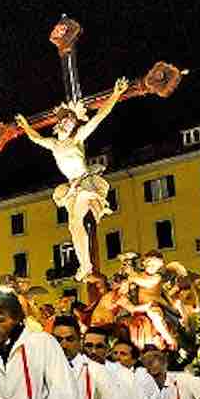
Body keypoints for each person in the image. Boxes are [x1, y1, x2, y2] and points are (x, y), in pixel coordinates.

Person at [14, 77, 129, 280]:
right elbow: (35, 138)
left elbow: (99, 117)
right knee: (74, 225)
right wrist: (24, 126)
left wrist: (116, 94)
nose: (69, 123)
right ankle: (85, 265)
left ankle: (86, 265)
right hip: (71, 187)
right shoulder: (53, 144)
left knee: (79, 213)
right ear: (59, 124)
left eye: (72, 121)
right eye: (66, 120)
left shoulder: (77, 138)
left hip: (84, 182)